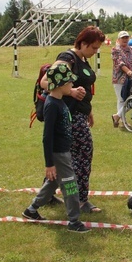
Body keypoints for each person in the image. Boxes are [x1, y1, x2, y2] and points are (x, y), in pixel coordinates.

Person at [41, 26, 105, 213]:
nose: (95, 52)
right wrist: (70, 91)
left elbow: (83, 89)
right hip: (68, 116)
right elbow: (46, 82)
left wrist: (88, 110)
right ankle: (81, 200)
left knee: (65, 158)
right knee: (83, 156)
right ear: (83, 43)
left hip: (79, 114)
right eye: (93, 48)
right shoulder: (67, 58)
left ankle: (46, 195)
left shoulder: (82, 59)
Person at [22, 64, 90, 233]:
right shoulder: (52, 105)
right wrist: (49, 163)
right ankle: (74, 221)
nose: (72, 86)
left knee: (52, 184)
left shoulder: (60, 101)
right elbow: (47, 137)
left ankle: (31, 210)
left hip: (64, 151)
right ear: (60, 85)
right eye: (69, 83)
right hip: (58, 153)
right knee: (71, 185)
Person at [110, 30, 132, 128]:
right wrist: (128, 71)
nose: (125, 39)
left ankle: (117, 117)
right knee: (121, 100)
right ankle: (123, 121)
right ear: (118, 39)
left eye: (126, 37)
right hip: (120, 79)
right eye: (123, 38)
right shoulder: (115, 50)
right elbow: (120, 63)